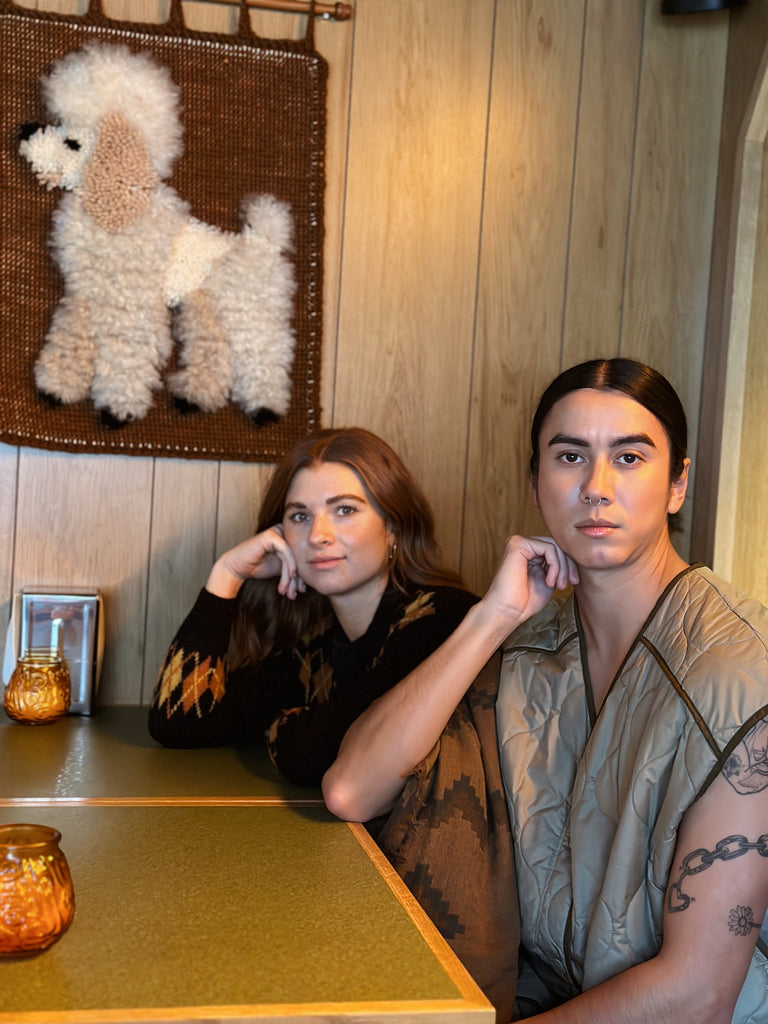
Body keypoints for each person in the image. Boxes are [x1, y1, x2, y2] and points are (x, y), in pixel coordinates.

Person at [322, 359, 768, 1023]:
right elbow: (351, 789)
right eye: (569, 456)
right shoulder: (529, 650)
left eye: (629, 457)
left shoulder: (742, 672)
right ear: (536, 482)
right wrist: (491, 617)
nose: (595, 487)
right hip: (547, 995)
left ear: (678, 484)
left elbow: (696, 996)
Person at [148, 427, 521, 1022]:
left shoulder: (440, 618)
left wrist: (285, 726)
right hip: (355, 889)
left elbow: (315, 755)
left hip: (438, 918)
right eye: (299, 517)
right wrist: (225, 576)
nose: (317, 535)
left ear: (394, 526)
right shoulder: (318, 647)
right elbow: (178, 722)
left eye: (344, 510)